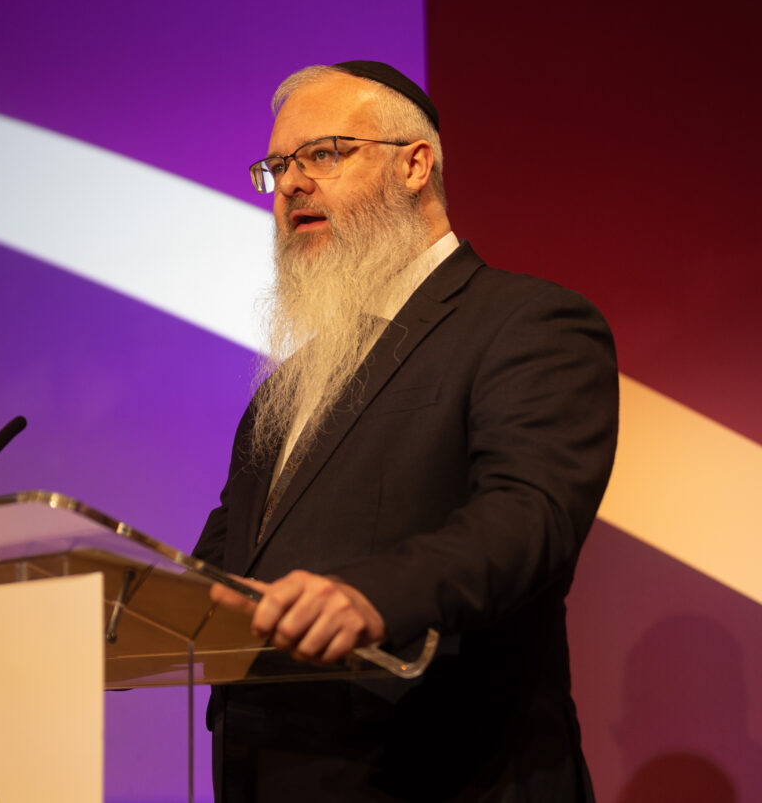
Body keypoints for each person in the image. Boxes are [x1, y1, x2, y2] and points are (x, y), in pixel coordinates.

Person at [192, 61, 619, 801]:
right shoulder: (286, 389)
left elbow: (528, 517)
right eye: (278, 166)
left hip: (443, 773)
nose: (291, 184)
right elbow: (223, 564)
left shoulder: (527, 323)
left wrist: (371, 596)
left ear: (415, 165)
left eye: (323, 154)